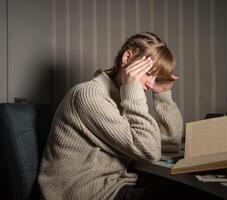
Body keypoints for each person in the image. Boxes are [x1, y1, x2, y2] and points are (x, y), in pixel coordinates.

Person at [38, 32, 183, 200]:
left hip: (111, 185)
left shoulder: (121, 97)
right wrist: (132, 90)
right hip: (80, 193)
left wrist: (163, 94)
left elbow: (170, 143)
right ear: (127, 57)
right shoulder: (90, 95)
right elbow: (149, 150)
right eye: (148, 73)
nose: (151, 84)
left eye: (157, 78)